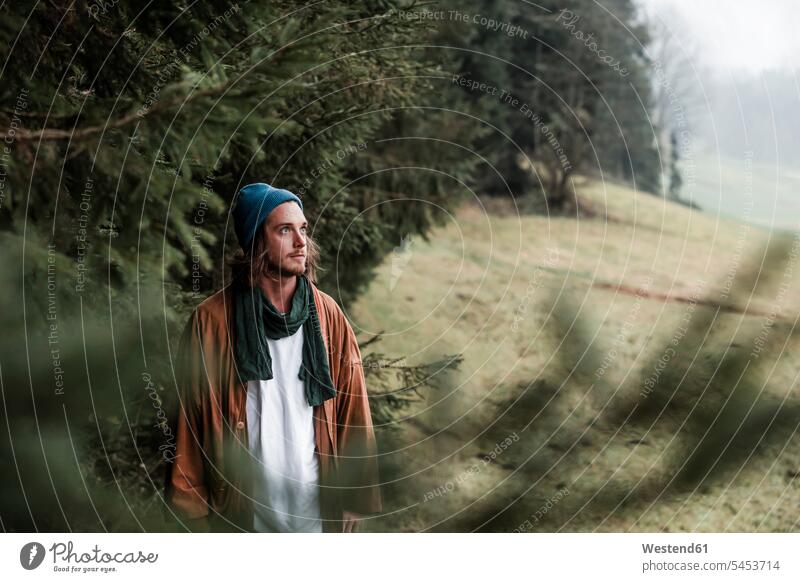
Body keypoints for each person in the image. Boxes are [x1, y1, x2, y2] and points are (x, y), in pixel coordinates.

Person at [165, 182, 382, 533]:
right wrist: (191, 511)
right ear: (257, 242)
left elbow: (353, 411)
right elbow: (190, 421)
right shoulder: (213, 321)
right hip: (243, 513)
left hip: (315, 510)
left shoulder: (328, 316)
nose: (301, 243)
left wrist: (354, 496)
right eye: (285, 229)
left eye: (303, 229)